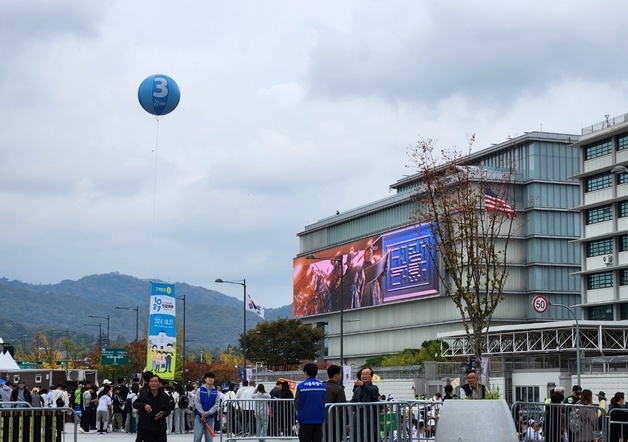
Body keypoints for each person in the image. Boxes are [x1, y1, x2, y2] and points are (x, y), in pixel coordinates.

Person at [134, 374, 171, 442]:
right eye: (151, 381)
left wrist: (163, 413)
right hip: (146, 427)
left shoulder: (165, 396)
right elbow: (135, 404)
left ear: (159, 383)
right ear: (149, 383)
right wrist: (144, 405)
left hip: (160, 427)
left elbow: (168, 409)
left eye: (155, 381)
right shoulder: (143, 394)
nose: (153, 383)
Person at [295, 363, 326, 442]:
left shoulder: (301, 386)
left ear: (305, 373)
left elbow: (296, 403)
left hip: (305, 420)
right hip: (319, 419)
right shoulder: (323, 386)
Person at [350, 367, 379, 442]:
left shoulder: (374, 388)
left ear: (371, 377)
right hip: (358, 422)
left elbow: (372, 392)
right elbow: (352, 403)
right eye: (363, 374)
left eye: (367, 374)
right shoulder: (357, 389)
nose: (364, 376)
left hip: (371, 422)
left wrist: (363, 385)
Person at [194, 371, 220, 442]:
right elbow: (197, 402)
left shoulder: (216, 392)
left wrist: (208, 413)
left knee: (209, 438)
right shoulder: (200, 390)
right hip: (199, 416)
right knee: (197, 436)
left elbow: (216, 404)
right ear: (205, 379)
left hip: (211, 417)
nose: (211, 379)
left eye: (212, 378)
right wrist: (202, 413)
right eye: (209, 378)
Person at [325, 364, 347, 442]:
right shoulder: (339, 389)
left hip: (321, 420)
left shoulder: (321, 386)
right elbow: (342, 407)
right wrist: (346, 422)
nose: (340, 376)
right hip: (335, 421)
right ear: (336, 375)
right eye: (340, 374)